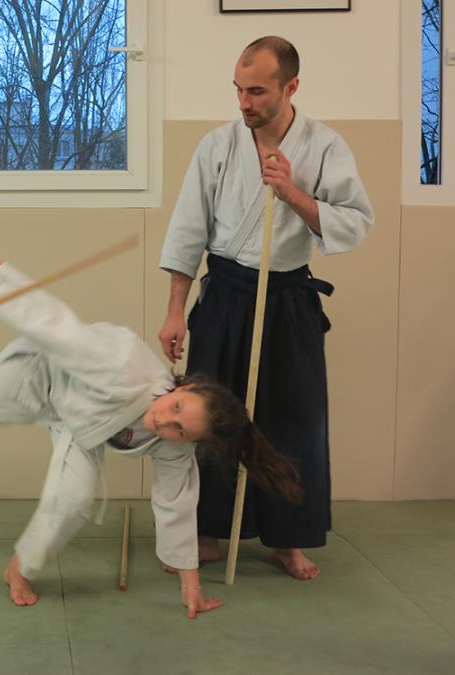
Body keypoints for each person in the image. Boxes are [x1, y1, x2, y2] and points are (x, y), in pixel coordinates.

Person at [0, 230, 301, 619]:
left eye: (180, 430)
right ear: (187, 386)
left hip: (80, 425)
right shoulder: (123, 366)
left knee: (74, 499)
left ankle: (20, 567)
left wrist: (190, 584)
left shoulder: (175, 446)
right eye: (176, 407)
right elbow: (58, 328)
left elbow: (176, 503)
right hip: (39, 375)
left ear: (192, 441)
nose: (165, 421)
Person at [157, 36, 373, 581]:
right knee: (209, 416)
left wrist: (293, 193)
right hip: (225, 295)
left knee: (294, 420)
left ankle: (288, 539)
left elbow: (356, 223)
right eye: (238, 89)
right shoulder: (217, 146)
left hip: (288, 299)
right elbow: (187, 231)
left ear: (291, 86)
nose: (244, 102)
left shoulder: (325, 147)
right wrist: (176, 311)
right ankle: (207, 531)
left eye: (256, 91)